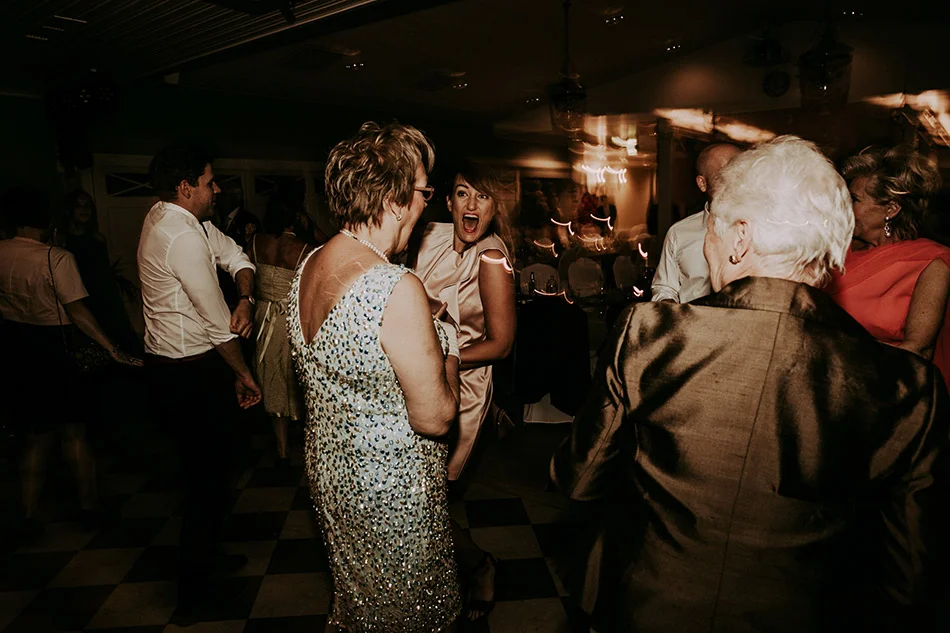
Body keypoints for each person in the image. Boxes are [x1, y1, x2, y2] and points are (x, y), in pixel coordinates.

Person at [552, 136, 949, 633]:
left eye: (711, 229)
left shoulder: (648, 336)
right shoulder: (906, 385)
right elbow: (910, 572)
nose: (707, 246)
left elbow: (579, 479)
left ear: (739, 238)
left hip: (647, 605)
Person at [288, 122, 461, 632]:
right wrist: (448, 343)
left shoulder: (310, 264)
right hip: (392, 491)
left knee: (362, 606)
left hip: (334, 477)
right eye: (425, 193)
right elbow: (435, 417)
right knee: (413, 613)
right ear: (394, 200)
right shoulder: (395, 286)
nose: (427, 205)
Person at [138, 146, 262, 625]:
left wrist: (246, 297)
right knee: (203, 484)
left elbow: (237, 257)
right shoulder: (179, 234)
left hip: (195, 366)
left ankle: (209, 558)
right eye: (210, 182)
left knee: (215, 474)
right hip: (184, 372)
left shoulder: (186, 220)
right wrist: (244, 375)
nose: (218, 190)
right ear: (186, 187)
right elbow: (215, 323)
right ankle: (193, 600)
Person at [0, 187, 141, 537]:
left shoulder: (2, 251)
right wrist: (112, 348)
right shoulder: (56, 257)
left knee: (36, 436)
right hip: (56, 348)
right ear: (47, 219)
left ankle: (28, 515)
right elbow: (77, 311)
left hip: (18, 348)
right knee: (74, 433)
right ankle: (89, 507)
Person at [413, 161, 516, 622]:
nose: (471, 204)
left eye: (482, 196)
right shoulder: (429, 236)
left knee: (428, 500)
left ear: (494, 208)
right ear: (449, 201)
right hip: (419, 376)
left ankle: (479, 565)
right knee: (419, 497)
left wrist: (442, 356)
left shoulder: (491, 258)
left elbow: (501, 344)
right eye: (462, 193)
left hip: (464, 388)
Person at [826, 145, 950, 390]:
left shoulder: (931, 263)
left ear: (891, 209)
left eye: (854, 199)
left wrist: (838, 358)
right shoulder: (835, 249)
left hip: (883, 391)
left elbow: (918, 351)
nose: (843, 207)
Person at [248, 194, 313, 468]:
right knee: (296, 380)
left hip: (262, 318)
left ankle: (282, 449)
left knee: (272, 378)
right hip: (289, 320)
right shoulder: (302, 248)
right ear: (295, 216)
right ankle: (308, 444)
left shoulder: (255, 242)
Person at [651, 142, 740, 303]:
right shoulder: (679, 233)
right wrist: (672, 309)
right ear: (702, 184)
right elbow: (664, 288)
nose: (735, 182)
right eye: (723, 176)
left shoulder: (763, 229)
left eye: (740, 173)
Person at [55, 190, 138, 352]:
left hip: (104, 295)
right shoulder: (62, 241)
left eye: (88, 206)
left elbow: (103, 269)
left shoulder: (98, 238)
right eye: (78, 206)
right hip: (80, 296)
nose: (84, 209)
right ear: (70, 210)